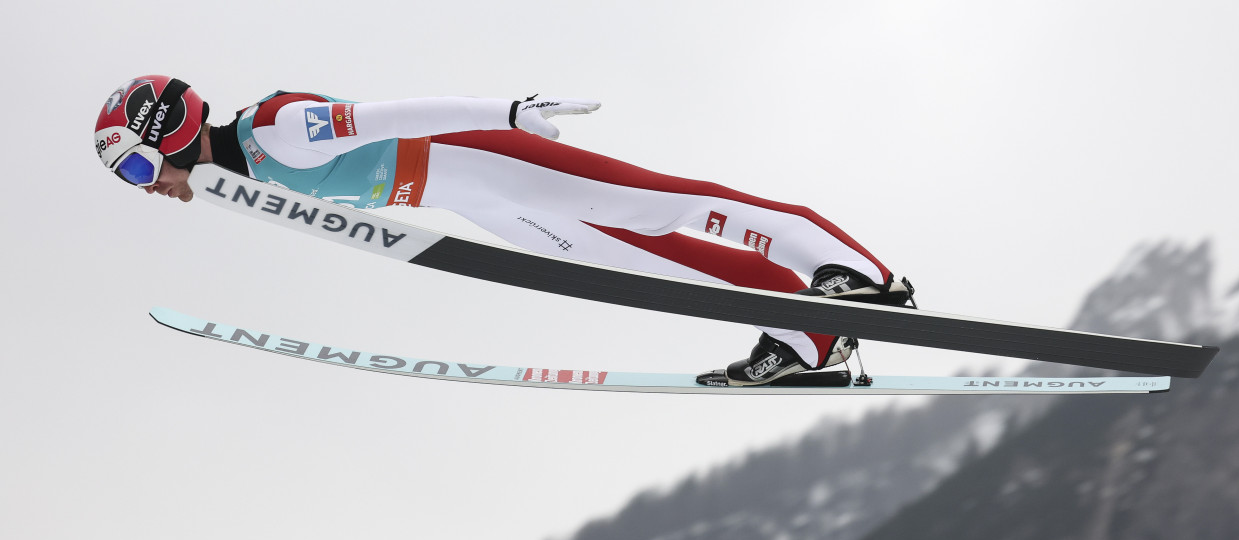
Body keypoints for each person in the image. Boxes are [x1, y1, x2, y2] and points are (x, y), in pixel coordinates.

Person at [94, 75, 914, 386]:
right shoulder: (250, 174)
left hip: (480, 157)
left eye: (139, 169)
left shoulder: (274, 129)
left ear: (169, 132)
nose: (149, 188)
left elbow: (396, 114)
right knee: (640, 262)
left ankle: (849, 269)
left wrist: (508, 112)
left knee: (660, 205)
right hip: (469, 198)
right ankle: (807, 334)